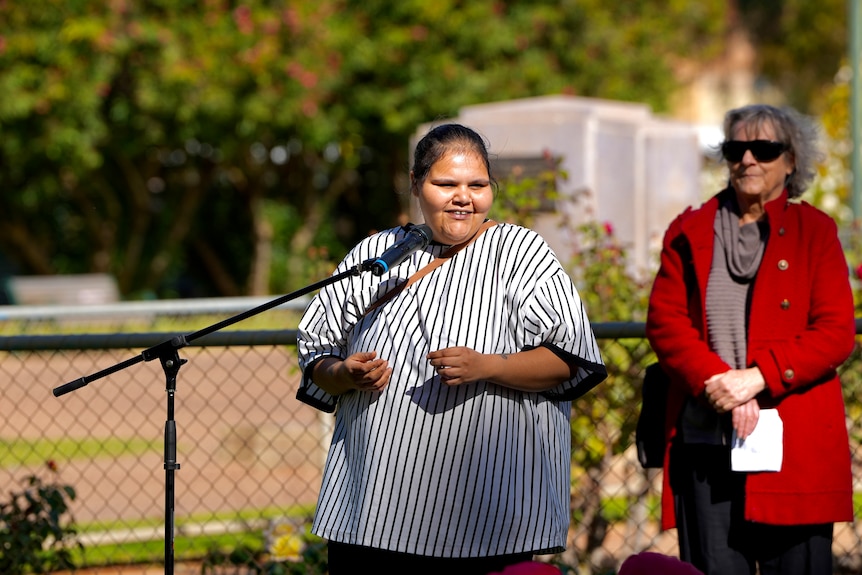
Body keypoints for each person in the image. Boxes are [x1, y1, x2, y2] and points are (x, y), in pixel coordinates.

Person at [296, 123, 607, 574]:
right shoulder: (378, 252)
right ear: (416, 184)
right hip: (374, 511)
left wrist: (490, 366)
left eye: (477, 185)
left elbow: (567, 360)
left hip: (488, 518)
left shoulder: (520, 252)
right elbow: (316, 350)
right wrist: (344, 373)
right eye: (446, 184)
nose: (464, 197)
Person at [646, 104, 857, 575]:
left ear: (791, 161)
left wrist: (757, 379)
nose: (748, 159)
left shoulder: (815, 232)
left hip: (793, 446)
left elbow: (835, 332)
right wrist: (721, 382)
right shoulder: (689, 228)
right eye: (736, 148)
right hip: (706, 442)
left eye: (763, 149)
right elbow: (665, 321)